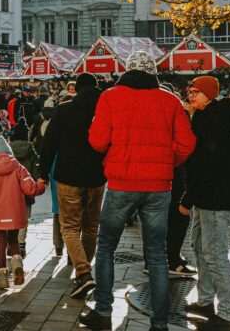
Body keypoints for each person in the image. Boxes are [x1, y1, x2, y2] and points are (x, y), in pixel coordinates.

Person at [79, 51, 195, 331]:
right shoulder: (170, 101)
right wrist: (167, 162)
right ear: (153, 73)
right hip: (158, 186)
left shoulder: (110, 97)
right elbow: (187, 143)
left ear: (127, 71)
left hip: (122, 183)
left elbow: (96, 141)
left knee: (106, 247)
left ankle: (103, 312)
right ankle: (160, 322)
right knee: (157, 255)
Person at [181, 76, 230, 331]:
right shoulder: (204, 116)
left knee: (214, 253)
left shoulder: (214, 120)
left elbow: (209, 165)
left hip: (214, 196)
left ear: (209, 94)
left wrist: (189, 195)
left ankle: (228, 313)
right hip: (205, 194)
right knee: (198, 245)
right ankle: (205, 300)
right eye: (189, 91)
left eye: (196, 91)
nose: (191, 95)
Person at [38, 72, 105, 299]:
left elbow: (49, 144)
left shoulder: (64, 110)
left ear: (76, 88)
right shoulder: (103, 111)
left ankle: (84, 273)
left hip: (68, 176)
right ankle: (82, 273)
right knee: (91, 227)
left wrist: (42, 173)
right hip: (96, 178)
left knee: (69, 227)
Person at [0, 136, 46, 289]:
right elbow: (30, 189)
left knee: (0, 243)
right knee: (14, 240)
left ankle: (2, 275)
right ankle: (17, 266)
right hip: (15, 212)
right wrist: (41, 184)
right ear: (10, 153)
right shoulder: (19, 168)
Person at [9, 121, 40, 258]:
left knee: (11, 217)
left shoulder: (8, 150)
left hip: (10, 190)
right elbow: (36, 172)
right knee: (24, 219)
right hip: (26, 190)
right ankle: (21, 244)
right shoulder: (31, 150)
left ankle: (11, 244)